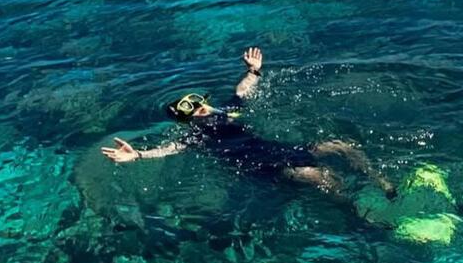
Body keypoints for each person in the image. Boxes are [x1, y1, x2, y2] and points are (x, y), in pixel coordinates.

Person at [101, 47, 395, 199]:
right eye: (196, 109)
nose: (203, 107)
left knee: (339, 145)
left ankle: (380, 181)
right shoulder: (197, 138)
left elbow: (241, 93)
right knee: (321, 176)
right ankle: (357, 212)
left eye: (201, 102)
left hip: (277, 149)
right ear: (189, 120)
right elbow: (169, 149)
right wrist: (138, 154)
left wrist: (254, 72)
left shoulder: (223, 113)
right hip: (264, 167)